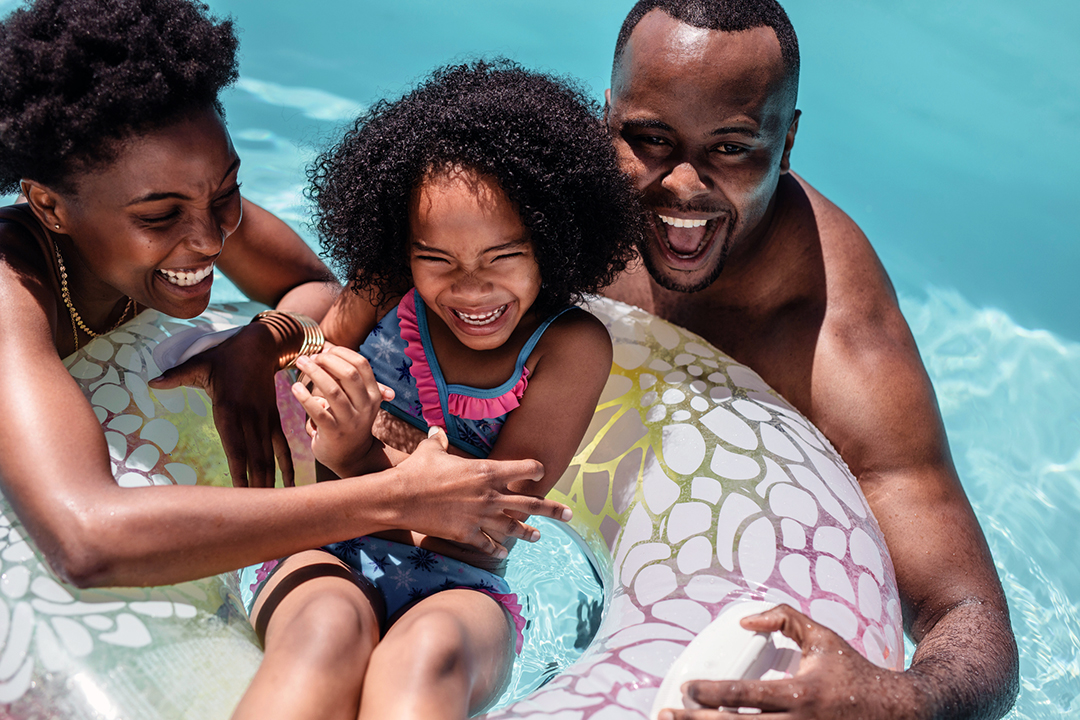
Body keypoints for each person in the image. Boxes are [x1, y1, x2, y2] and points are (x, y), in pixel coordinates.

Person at [0, 0, 569, 597]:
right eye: (161, 215)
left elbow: (315, 289)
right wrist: (394, 495)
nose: (211, 235)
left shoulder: (193, 202)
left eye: (227, 191)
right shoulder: (13, 288)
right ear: (49, 206)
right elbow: (87, 540)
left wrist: (256, 342)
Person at [602, 1, 1019, 718]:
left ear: (787, 141)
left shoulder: (836, 344)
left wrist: (896, 699)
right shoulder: (564, 200)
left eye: (732, 147)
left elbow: (968, 615)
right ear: (607, 114)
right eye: (651, 138)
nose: (683, 186)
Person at [229, 61, 642, 720]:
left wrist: (360, 454)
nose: (471, 290)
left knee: (428, 655)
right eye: (438, 260)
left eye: (502, 257)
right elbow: (303, 402)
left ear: (552, 242)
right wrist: (319, 413)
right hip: (326, 540)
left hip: (465, 583)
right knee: (325, 633)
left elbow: (488, 523)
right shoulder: (382, 285)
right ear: (404, 246)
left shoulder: (570, 346)